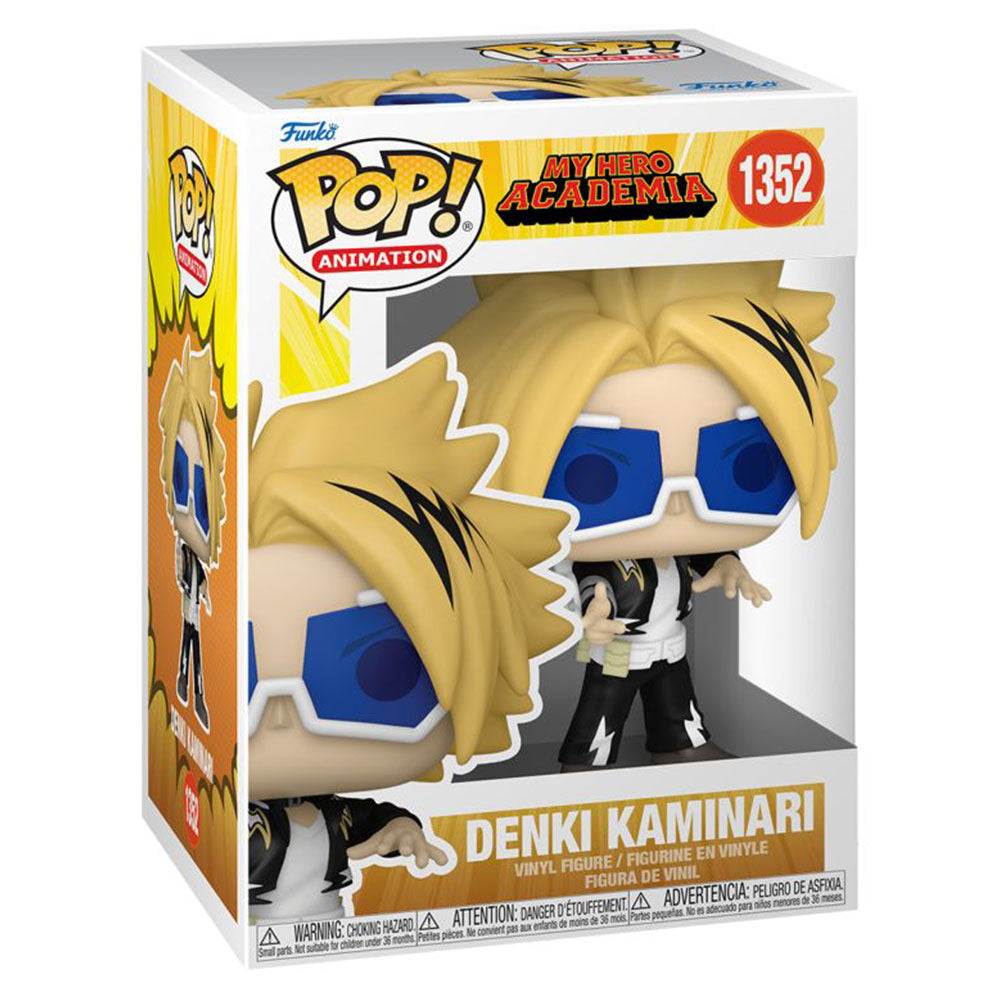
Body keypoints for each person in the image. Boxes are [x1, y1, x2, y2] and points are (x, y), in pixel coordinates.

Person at [444, 262, 837, 767]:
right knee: (601, 714)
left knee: (678, 705)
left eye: (743, 464)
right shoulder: (603, 560)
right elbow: (592, 584)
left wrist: (726, 563)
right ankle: (585, 768)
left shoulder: (681, 548)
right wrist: (589, 614)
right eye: (598, 475)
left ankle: (683, 746)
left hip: (670, 646)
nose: (677, 501)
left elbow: (702, 559)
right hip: (619, 651)